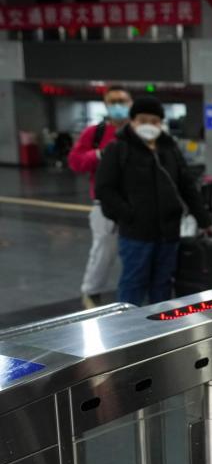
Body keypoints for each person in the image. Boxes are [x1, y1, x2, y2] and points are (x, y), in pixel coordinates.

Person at [95, 95, 212, 306]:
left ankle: (160, 330)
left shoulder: (170, 149)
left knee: (163, 284)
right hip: (136, 235)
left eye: (154, 121)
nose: (149, 125)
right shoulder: (118, 149)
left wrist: (204, 220)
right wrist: (128, 214)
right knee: (133, 284)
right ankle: (129, 332)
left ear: (161, 123)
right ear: (132, 121)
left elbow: (186, 185)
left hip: (169, 234)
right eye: (143, 120)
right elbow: (104, 189)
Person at [69, 85, 132, 308]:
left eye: (122, 101)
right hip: (105, 204)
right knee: (104, 249)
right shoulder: (94, 133)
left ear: (130, 104)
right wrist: (98, 154)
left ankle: (134, 293)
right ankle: (91, 292)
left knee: (138, 251)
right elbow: (75, 162)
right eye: (113, 101)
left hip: (138, 202)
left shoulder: (139, 130)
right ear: (106, 105)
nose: (118, 106)